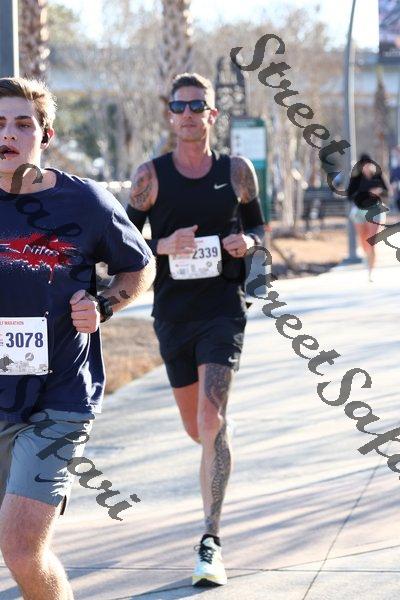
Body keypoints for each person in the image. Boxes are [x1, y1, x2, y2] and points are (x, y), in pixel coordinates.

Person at [0, 77, 155, 600]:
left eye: (23, 124)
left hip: (59, 398)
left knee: (22, 550)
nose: (9, 134)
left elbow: (140, 266)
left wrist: (105, 303)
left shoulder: (83, 201)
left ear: (45, 135)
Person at [127, 72, 265, 587]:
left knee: (211, 420)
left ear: (212, 114)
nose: (188, 114)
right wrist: (163, 246)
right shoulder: (150, 176)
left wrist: (248, 244)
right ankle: (216, 443)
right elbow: (125, 243)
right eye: (179, 106)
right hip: (172, 313)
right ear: (170, 115)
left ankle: (210, 541)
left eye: (197, 106)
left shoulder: (236, 171)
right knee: (198, 430)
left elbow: (257, 225)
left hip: (222, 309)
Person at [348, 153, 389, 282]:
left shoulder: (378, 177)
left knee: (372, 241)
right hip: (360, 211)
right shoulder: (356, 179)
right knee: (363, 240)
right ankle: (368, 258)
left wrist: (379, 192)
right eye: (364, 165)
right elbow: (350, 195)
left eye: (368, 164)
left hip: (375, 210)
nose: (367, 167)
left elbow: (387, 192)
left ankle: (371, 271)